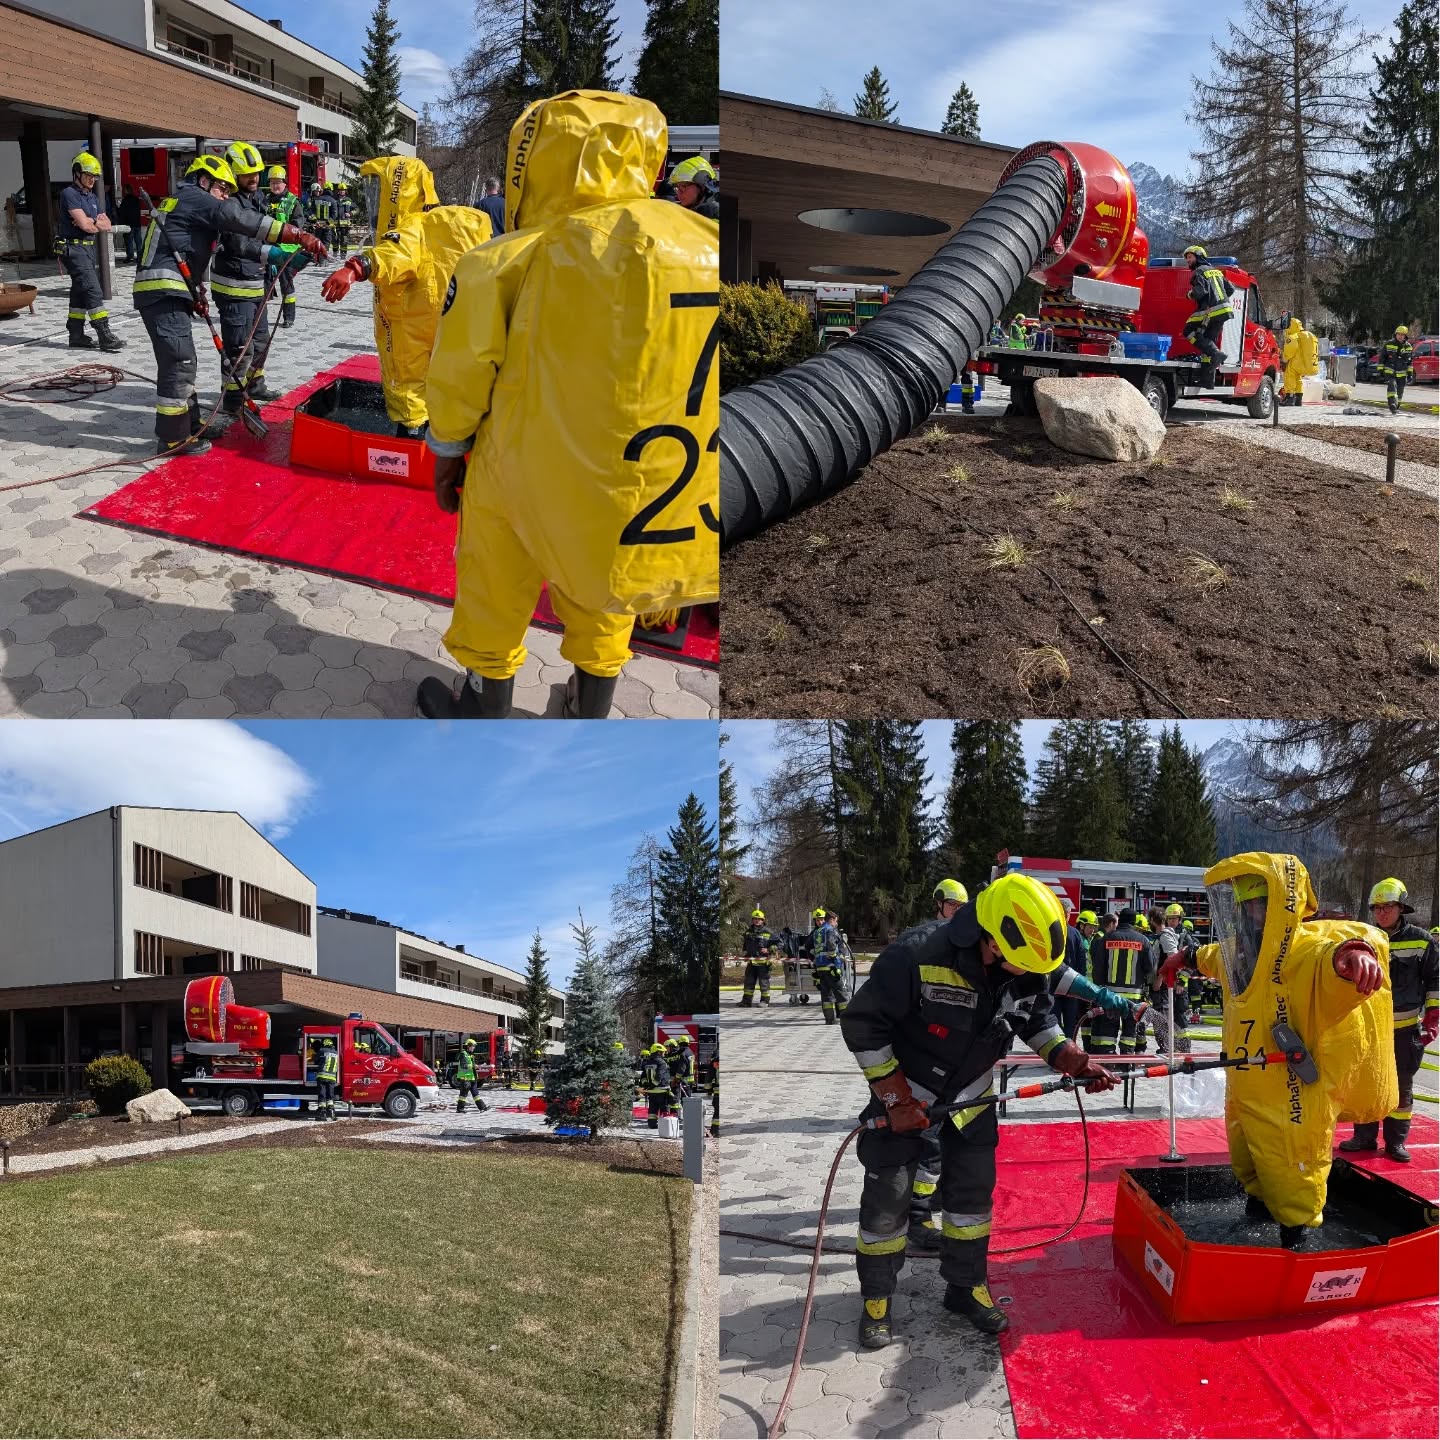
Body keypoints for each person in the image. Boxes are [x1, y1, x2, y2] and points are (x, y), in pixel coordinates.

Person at [416, 92, 719, 721]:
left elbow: (462, 369)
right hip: (634, 484)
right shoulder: (700, 249)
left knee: (494, 582)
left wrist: (446, 451)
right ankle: (588, 706)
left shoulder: (508, 258)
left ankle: (483, 702)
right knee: (604, 590)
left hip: (517, 468)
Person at [842, 873, 1116, 1347]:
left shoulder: (1028, 963)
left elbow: (1037, 1020)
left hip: (973, 1096)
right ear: (986, 934)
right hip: (910, 1094)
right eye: (1012, 963)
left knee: (971, 1202)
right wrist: (893, 1098)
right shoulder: (917, 956)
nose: (1020, 973)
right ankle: (877, 1297)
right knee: (889, 1198)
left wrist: (1067, 1057)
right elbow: (864, 1025)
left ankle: (965, 1288)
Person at [1159, 852, 1392, 1249]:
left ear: (1285, 903)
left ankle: (1296, 1246)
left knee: (1293, 1177)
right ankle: (1258, 1209)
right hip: (1246, 1084)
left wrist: (1352, 958)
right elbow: (1214, 956)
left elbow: (1331, 963)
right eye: (1247, 903)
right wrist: (1183, 958)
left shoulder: (1306, 950)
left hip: (1292, 1094)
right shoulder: (1243, 952)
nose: (1253, 912)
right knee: (1250, 1163)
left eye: (1262, 903)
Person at [134, 154, 325, 456]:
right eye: (222, 188)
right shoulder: (195, 197)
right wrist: (296, 234)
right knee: (179, 361)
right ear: (203, 180)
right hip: (162, 291)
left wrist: (195, 292)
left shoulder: (186, 201)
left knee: (184, 358)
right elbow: (236, 219)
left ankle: (191, 424)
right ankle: (172, 438)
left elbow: (184, 251)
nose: (226, 195)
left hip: (169, 289)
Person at [321, 154, 492, 440]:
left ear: (397, 190)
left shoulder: (411, 228)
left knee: (407, 383)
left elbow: (396, 254)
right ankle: (450, 435)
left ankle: (410, 439)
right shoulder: (437, 224)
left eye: (380, 188)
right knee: (439, 380)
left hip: (408, 323)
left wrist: (355, 268)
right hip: (442, 317)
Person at [1338, 878, 1438, 1162]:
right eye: (1377, 908)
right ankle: (1364, 1137)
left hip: (1405, 1029)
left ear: (1401, 907)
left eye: (1388, 906)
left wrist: (1432, 1018)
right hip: (1368, 1029)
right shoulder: (1363, 938)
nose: (1382, 913)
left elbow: (1435, 979)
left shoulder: (1421, 939)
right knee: (1366, 1084)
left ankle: (1395, 1143)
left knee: (1401, 1087)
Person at [211, 142, 276, 430]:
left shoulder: (257, 198)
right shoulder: (229, 204)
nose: (254, 179)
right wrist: (269, 253)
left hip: (255, 283)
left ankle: (255, 384)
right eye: (247, 174)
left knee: (260, 341)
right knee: (239, 348)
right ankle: (233, 402)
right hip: (234, 286)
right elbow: (239, 243)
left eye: (257, 173)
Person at [57, 152, 123, 353]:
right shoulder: (69, 194)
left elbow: (106, 224)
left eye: (95, 176)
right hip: (73, 248)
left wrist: (90, 223)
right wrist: (92, 223)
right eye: (88, 175)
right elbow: (88, 225)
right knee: (93, 289)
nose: (92, 179)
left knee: (79, 292)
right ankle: (105, 335)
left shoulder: (93, 197)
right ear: (77, 173)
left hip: (87, 248)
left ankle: (76, 334)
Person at [1088, 908, 1151, 1056]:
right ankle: (1127, 1062)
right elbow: (1150, 969)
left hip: (1110, 997)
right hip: (1133, 998)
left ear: (1120, 920)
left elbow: (1098, 968)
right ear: (1134, 922)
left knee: (1106, 1034)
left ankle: (1108, 1062)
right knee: (1129, 1033)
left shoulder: (1106, 939)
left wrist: (1100, 990)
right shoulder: (1143, 941)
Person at [1181, 244, 1234, 386]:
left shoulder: (1199, 271)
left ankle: (1216, 354)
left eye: (1190, 257)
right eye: (1187, 258)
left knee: (1188, 331)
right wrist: (1219, 297)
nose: (1188, 261)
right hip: (1225, 310)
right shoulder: (1216, 271)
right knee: (1208, 340)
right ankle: (1207, 380)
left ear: (1199, 257)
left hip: (1211, 309)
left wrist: (1189, 294)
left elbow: (1200, 292)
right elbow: (1231, 289)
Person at [265, 166, 303, 328]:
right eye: (272, 182)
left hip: (285, 251)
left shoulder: (293, 202)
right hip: (265, 249)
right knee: (263, 285)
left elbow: (297, 226)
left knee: (287, 286)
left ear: (285, 183)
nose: (275, 186)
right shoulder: (264, 200)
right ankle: (259, 317)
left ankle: (289, 317)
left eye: (278, 182)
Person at [811, 906, 847, 1023]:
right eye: (836, 921)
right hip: (831, 967)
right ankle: (846, 1018)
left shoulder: (817, 932)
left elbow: (814, 948)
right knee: (841, 994)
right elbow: (832, 946)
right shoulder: (830, 930)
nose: (836, 923)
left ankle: (829, 1019)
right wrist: (835, 960)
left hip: (821, 968)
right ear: (831, 919)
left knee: (826, 995)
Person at [1375, 325, 1415, 414]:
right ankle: (1392, 404)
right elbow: (1382, 358)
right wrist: (1380, 370)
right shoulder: (1389, 344)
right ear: (1395, 334)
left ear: (1405, 336)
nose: (1400, 336)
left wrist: (1410, 373)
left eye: (1402, 334)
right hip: (1390, 372)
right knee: (1392, 387)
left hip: (1402, 373)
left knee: (1400, 392)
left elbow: (1410, 362)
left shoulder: (1408, 347)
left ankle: (1396, 407)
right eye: (1398, 334)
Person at [740, 909, 775, 1007]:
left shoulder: (768, 932)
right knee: (748, 982)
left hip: (763, 963)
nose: (756, 921)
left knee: (763, 983)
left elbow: (779, 943)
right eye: (755, 919)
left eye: (759, 919)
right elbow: (747, 946)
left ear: (763, 920)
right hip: (751, 962)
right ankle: (746, 1001)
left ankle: (765, 1001)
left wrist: (769, 950)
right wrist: (746, 955)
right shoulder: (748, 932)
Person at [668, 155, 719, 219]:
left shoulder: (714, 213)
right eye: (677, 188)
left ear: (702, 186)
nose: (679, 193)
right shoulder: (691, 208)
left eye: (683, 187)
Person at [454, 1036, 489, 1113]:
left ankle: (482, 1107)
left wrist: (478, 1067)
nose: (473, 1048)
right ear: (468, 1046)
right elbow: (464, 1066)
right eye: (472, 1046)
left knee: (476, 1094)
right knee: (463, 1095)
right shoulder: (464, 1054)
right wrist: (474, 1066)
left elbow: (472, 1066)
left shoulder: (471, 1055)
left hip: (472, 1078)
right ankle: (460, 1109)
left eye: (474, 1046)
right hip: (465, 1078)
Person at [641, 1043, 672, 1127]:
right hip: (661, 1089)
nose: (664, 1053)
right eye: (662, 1052)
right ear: (658, 1052)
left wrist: (647, 1085)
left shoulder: (647, 1062)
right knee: (663, 1108)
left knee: (652, 1109)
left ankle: (652, 1124)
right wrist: (654, 1084)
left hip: (651, 1091)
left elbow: (643, 1077)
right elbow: (660, 1076)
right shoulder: (662, 1062)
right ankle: (664, 1126)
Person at [314, 1034, 340, 1120]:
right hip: (332, 1078)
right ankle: (332, 1113)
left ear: (324, 1044)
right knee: (330, 1096)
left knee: (322, 1095)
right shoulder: (336, 1052)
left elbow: (315, 1060)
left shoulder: (322, 1050)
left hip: (322, 1076)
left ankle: (322, 1114)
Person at [117, 185, 142, 265]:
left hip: (129, 224)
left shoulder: (125, 200)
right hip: (137, 223)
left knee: (129, 241)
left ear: (126, 191)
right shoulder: (136, 199)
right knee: (138, 242)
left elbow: (122, 212)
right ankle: (140, 257)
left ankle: (130, 257)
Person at [331, 182, 354, 259]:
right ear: (338, 191)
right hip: (335, 224)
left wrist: (350, 213)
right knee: (335, 239)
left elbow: (357, 209)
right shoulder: (334, 200)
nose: (341, 191)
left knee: (344, 240)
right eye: (340, 190)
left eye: (343, 190)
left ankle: (343, 255)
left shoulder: (349, 200)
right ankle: (335, 253)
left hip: (345, 225)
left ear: (345, 191)